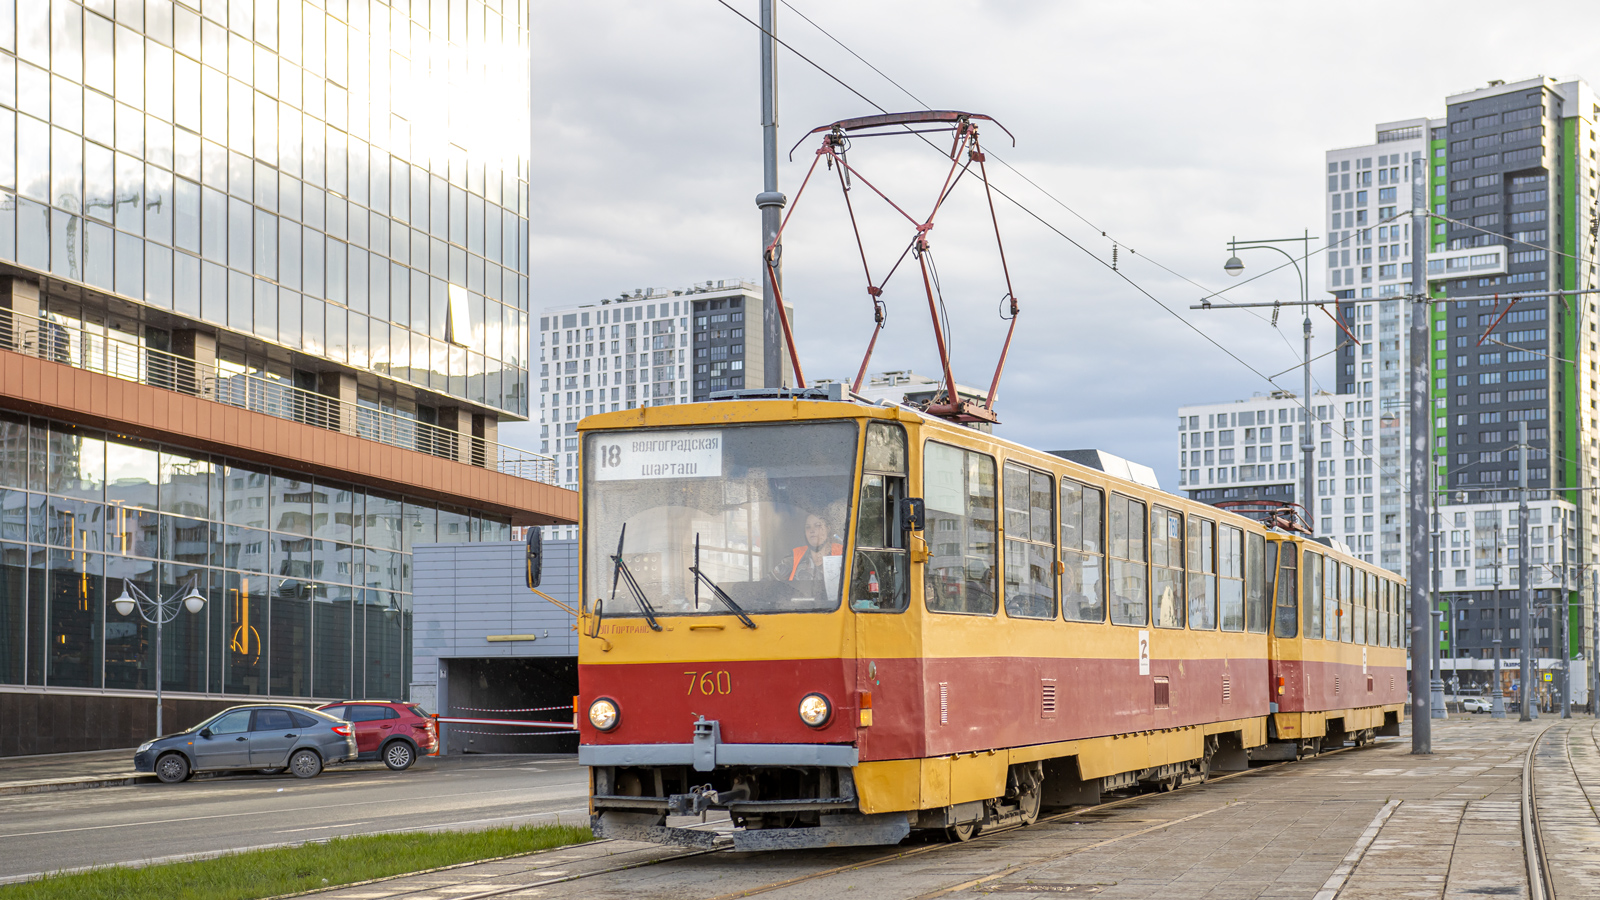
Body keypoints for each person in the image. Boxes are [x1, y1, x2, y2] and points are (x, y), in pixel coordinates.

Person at [784, 513, 842, 581]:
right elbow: (771, 582)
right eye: (808, 527)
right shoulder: (794, 555)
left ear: (828, 529)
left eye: (817, 526)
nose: (812, 530)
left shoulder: (843, 553)